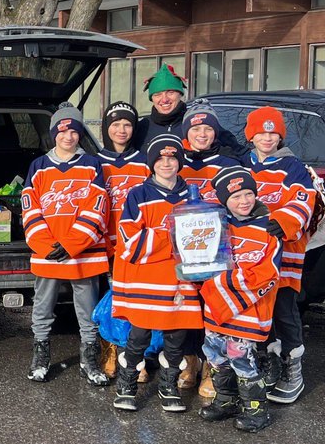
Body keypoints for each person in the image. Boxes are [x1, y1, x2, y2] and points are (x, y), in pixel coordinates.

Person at [111, 133, 204, 412]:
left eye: (172, 158)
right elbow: (130, 241)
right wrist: (175, 237)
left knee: (176, 338)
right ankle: (127, 385)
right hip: (147, 280)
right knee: (139, 336)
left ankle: (168, 386)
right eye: (160, 158)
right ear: (152, 163)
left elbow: (204, 239)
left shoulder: (193, 196)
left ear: (179, 162)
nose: (166, 163)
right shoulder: (138, 194)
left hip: (181, 280)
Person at [21, 103, 110, 386]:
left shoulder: (92, 164)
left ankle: (89, 359)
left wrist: (73, 243)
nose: (68, 136)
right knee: (43, 306)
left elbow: (98, 206)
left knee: (87, 308)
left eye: (74, 131)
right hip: (47, 251)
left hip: (84, 252)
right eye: (62, 131)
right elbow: (30, 207)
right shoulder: (38, 166)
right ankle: (40, 357)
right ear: (53, 135)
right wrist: (44, 244)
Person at [198, 167, 283, 432]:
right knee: (215, 355)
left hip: (248, 310)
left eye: (248, 194)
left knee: (242, 359)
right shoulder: (215, 225)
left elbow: (269, 273)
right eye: (236, 197)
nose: (244, 201)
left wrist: (226, 283)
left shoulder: (269, 227)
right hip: (216, 309)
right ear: (225, 200)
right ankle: (226, 400)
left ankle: (256, 410)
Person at [242, 106, 317, 405]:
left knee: (284, 311)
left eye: (273, 133)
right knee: (260, 312)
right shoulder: (242, 164)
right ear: (251, 135)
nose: (267, 137)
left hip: (284, 253)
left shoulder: (292, 166)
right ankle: (269, 362)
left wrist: (283, 221)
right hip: (251, 256)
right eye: (261, 132)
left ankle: (292, 368)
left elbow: (304, 200)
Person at [176, 99, 242, 397]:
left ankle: (211, 369)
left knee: (214, 309)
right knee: (188, 309)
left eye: (207, 129)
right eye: (195, 129)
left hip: (217, 252)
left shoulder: (228, 164)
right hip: (185, 251)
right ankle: (189, 362)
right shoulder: (175, 163)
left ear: (216, 132)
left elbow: (241, 206)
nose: (201, 134)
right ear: (186, 133)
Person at [96, 100, 147, 378]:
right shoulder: (95, 162)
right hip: (104, 244)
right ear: (107, 127)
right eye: (116, 124)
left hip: (136, 245)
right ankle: (110, 350)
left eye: (128, 124)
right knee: (108, 301)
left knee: (135, 301)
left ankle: (136, 356)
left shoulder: (145, 161)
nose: (122, 130)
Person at [134, 63, 241, 153]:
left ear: (180, 95)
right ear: (152, 98)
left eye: (171, 92)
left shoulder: (199, 122)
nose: (164, 99)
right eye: (157, 94)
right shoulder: (141, 127)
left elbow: (238, 153)